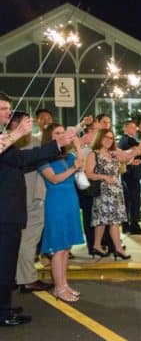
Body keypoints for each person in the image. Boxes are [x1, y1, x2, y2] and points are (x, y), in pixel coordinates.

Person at [0, 92, 75, 326]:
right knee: (4, 264)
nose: (8, 113)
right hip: (4, 212)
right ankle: (3, 313)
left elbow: (24, 158)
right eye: (3, 108)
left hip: (10, 210)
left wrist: (57, 144)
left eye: (8, 108)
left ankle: (4, 308)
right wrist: (18, 133)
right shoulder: (7, 138)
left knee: (6, 264)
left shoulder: (6, 139)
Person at [85, 129, 141, 260]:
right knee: (111, 221)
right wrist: (104, 177)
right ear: (99, 138)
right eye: (106, 138)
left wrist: (139, 148)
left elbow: (127, 156)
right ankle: (118, 249)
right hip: (103, 192)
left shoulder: (114, 153)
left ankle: (97, 246)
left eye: (111, 138)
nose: (109, 140)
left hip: (116, 191)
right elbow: (88, 174)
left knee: (105, 221)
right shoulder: (94, 154)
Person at [8, 111, 53, 293]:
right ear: (15, 125)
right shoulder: (24, 142)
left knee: (16, 241)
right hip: (30, 198)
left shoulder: (7, 142)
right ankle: (27, 278)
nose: (31, 125)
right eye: (27, 122)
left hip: (16, 199)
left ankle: (15, 277)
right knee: (29, 239)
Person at [39, 124, 85, 302]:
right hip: (56, 202)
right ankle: (59, 288)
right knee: (58, 247)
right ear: (49, 138)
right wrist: (73, 168)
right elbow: (54, 179)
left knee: (66, 247)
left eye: (63, 132)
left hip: (71, 201)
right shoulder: (43, 158)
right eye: (57, 133)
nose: (62, 135)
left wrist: (78, 145)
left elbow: (82, 168)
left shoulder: (68, 155)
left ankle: (64, 284)